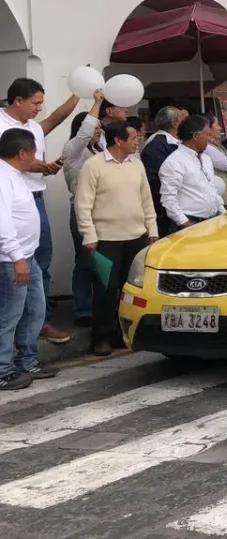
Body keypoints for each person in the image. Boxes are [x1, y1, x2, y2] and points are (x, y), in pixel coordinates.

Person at [1, 78, 77, 345]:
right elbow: (12, 162)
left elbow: (54, 119)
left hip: (36, 198)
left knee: (40, 262)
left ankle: (38, 322)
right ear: (18, 101)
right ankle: (12, 332)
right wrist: (41, 166)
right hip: (9, 203)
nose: (38, 110)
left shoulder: (33, 126)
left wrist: (78, 96)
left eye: (41, 104)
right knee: (13, 266)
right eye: (35, 103)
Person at [75, 121, 158, 356]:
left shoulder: (137, 166)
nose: (137, 141)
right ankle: (101, 336)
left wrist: (152, 232)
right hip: (105, 240)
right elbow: (83, 205)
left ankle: (120, 333)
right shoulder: (93, 166)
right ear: (118, 141)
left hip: (136, 237)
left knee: (128, 289)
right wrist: (89, 236)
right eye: (132, 138)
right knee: (105, 289)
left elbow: (146, 201)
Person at [0, 128, 58, 389]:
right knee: (10, 314)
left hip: (27, 255)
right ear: (22, 153)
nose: (36, 159)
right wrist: (16, 257)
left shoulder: (16, 175)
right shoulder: (3, 178)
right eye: (33, 153)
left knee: (35, 309)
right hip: (12, 260)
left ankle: (28, 359)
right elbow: (3, 223)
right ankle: (3, 368)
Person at [62, 94, 106, 326]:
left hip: (102, 212)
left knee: (101, 261)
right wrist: (97, 103)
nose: (98, 131)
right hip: (81, 211)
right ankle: (83, 309)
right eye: (95, 127)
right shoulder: (74, 150)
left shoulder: (98, 150)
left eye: (100, 128)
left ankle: (101, 306)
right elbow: (85, 133)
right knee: (85, 262)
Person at [159, 115, 225, 235]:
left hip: (211, 222)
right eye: (207, 135)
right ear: (196, 136)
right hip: (189, 224)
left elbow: (211, 188)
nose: (210, 139)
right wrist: (186, 223)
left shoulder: (206, 159)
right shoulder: (174, 162)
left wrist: (222, 212)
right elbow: (168, 199)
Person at [141, 106, 188, 236]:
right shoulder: (156, 146)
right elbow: (156, 183)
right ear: (175, 123)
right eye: (183, 119)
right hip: (167, 214)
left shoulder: (178, 143)